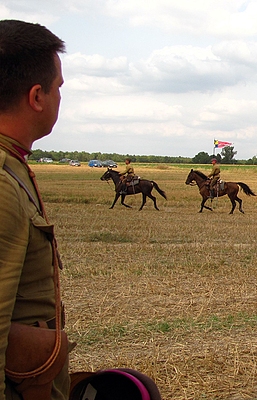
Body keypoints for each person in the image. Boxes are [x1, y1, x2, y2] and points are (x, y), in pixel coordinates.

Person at [0, 19, 69, 399]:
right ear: (37, 96)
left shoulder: (14, 165)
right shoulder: (2, 184)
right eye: (58, 88)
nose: (61, 97)